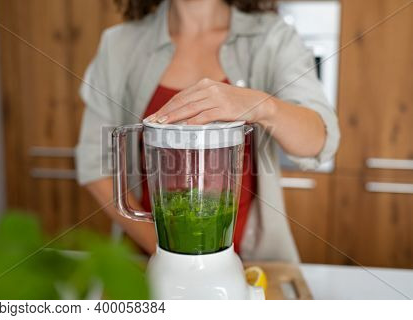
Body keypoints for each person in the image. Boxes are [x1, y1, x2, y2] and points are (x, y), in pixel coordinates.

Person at [75, 0, 340, 262]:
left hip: (252, 264)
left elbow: (319, 140)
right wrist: (166, 251)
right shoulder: (119, 44)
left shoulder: (273, 38)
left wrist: (263, 106)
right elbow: (94, 165)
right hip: (146, 261)